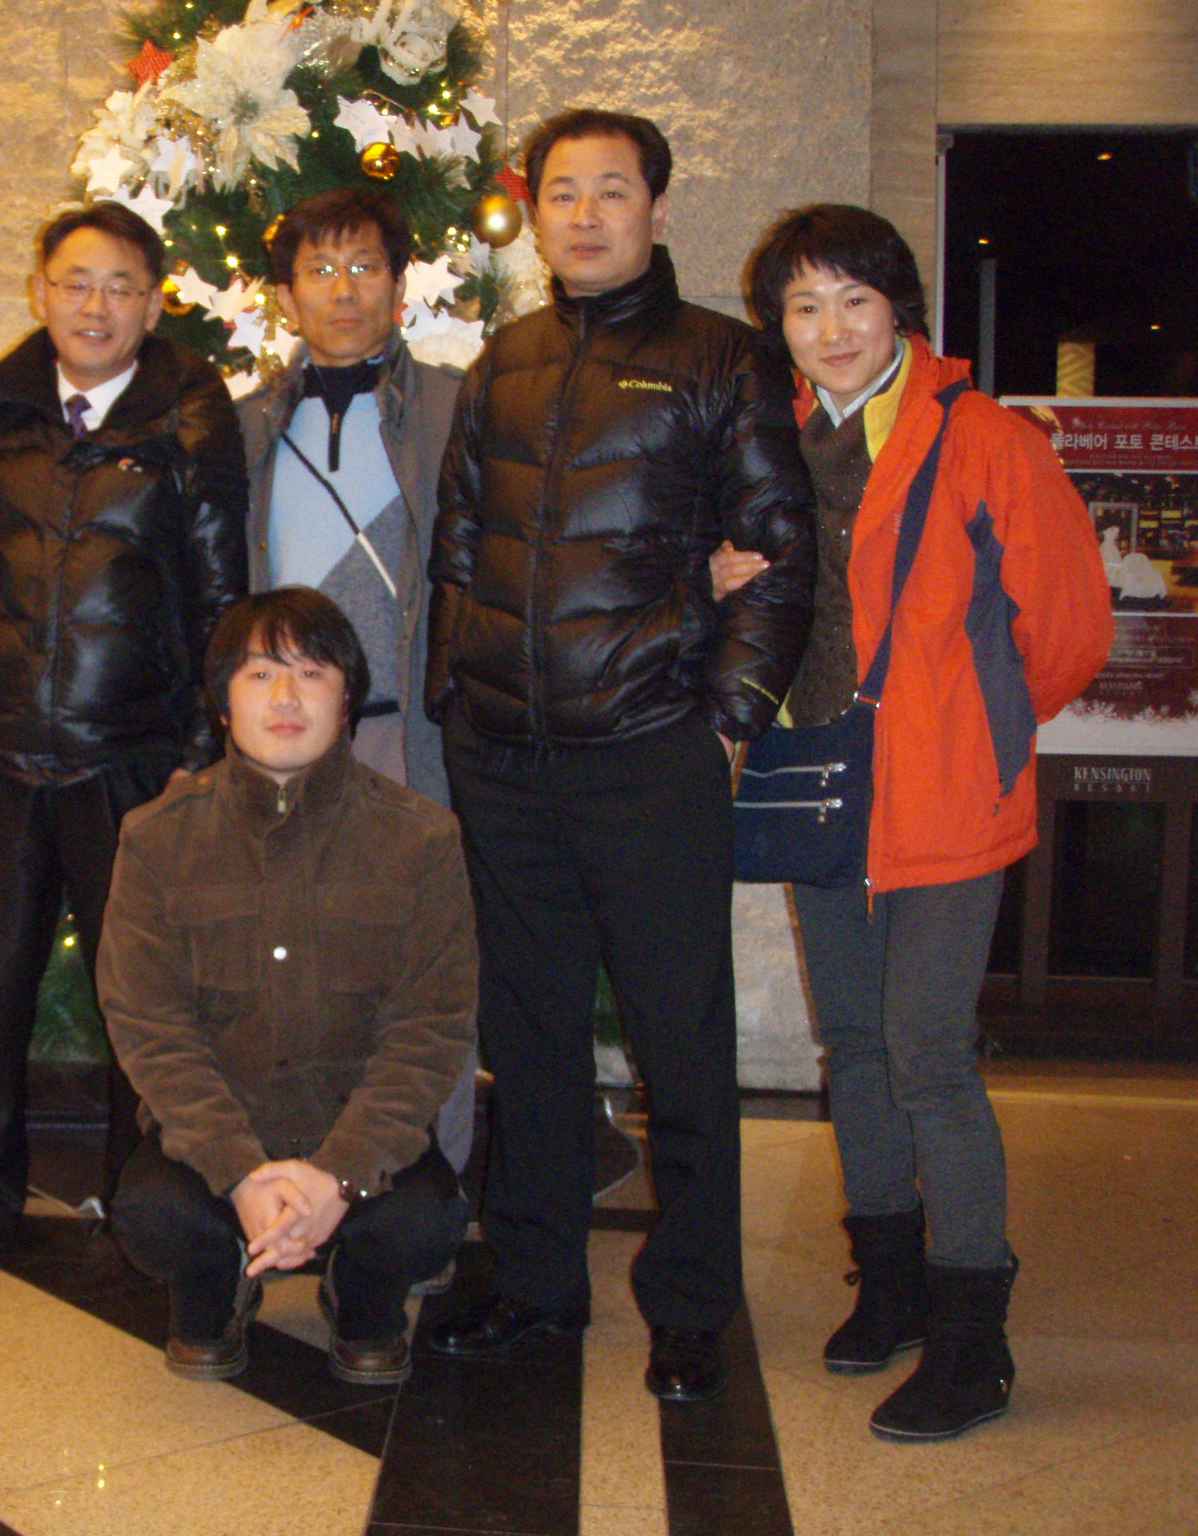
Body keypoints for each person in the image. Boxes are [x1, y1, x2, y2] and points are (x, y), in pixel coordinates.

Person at [423, 108, 816, 1403]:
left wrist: (726, 727)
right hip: (503, 756)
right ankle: (536, 1284)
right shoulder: (506, 358)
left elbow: (778, 557)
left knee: (678, 1042)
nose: (584, 214)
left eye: (611, 190)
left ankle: (692, 1307)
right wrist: (453, 699)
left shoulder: (720, 359)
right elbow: (459, 541)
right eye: (561, 192)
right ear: (532, 214)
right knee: (529, 1036)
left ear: (654, 206)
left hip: (651, 753)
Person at [714, 203, 1110, 1439]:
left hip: (943, 791)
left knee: (926, 1052)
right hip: (821, 780)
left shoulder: (983, 438)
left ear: (899, 309)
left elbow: (1067, 627)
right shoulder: (769, 443)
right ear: (777, 325)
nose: (830, 327)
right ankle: (886, 1285)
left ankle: (971, 1336)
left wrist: (974, 728)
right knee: (852, 1044)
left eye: (853, 299)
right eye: (802, 305)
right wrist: (712, 579)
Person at [0, 201, 248, 1276]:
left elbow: (221, 595)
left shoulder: (189, 421)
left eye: (120, 288)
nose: (96, 306)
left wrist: (201, 751)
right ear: (39, 292)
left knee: (140, 999)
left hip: (131, 756)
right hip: (2, 747)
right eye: (76, 283)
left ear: (152, 305)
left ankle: (146, 1208)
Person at [100, 588, 475, 1385]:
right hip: (217, 1148)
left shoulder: (420, 838)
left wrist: (340, 1174)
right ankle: (217, 1289)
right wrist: (239, 1171)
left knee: (426, 1219)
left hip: (361, 1145)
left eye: (311, 673)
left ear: (347, 699)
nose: (285, 697)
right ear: (223, 703)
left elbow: (431, 1028)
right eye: (260, 673)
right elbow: (149, 1025)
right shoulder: (158, 837)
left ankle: (361, 1298)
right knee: (152, 1211)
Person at [238, 187, 477, 1177]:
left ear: (398, 282)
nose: (343, 290)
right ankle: (297, 1191)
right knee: (287, 977)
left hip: (407, 738)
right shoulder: (246, 426)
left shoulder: (457, 410)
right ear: (286, 294)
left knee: (423, 979)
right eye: (320, 270)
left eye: (365, 266)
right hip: (285, 747)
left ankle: (420, 1196)